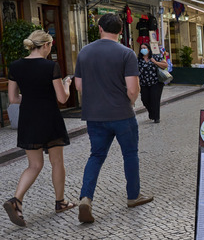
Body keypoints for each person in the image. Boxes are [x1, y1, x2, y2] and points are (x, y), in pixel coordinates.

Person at [74, 13, 154, 224]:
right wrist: (130, 100)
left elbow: (79, 87)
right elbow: (132, 88)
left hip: (94, 115)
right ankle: (133, 196)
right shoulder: (126, 53)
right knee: (130, 154)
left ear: (100, 28)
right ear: (121, 31)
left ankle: (85, 198)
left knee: (96, 155)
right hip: (121, 114)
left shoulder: (84, 52)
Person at [3, 30, 75, 227]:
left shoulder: (16, 66)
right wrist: (67, 84)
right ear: (45, 45)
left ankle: (16, 200)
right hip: (49, 117)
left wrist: (32, 99)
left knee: (34, 165)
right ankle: (60, 202)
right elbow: (62, 98)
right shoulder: (50, 66)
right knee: (57, 161)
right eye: (51, 45)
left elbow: (13, 99)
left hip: (28, 118)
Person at [137, 43, 168, 123]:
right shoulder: (138, 60)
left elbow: (165, 65)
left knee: (155, 99)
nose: (143, 49)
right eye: (141, 48)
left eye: (144, 47)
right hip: (144, 83)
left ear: (148, 49)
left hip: (156, 82)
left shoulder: (155, 56)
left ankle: (156, 117)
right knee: (145, 99)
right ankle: (151, 112)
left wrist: (155, 62)